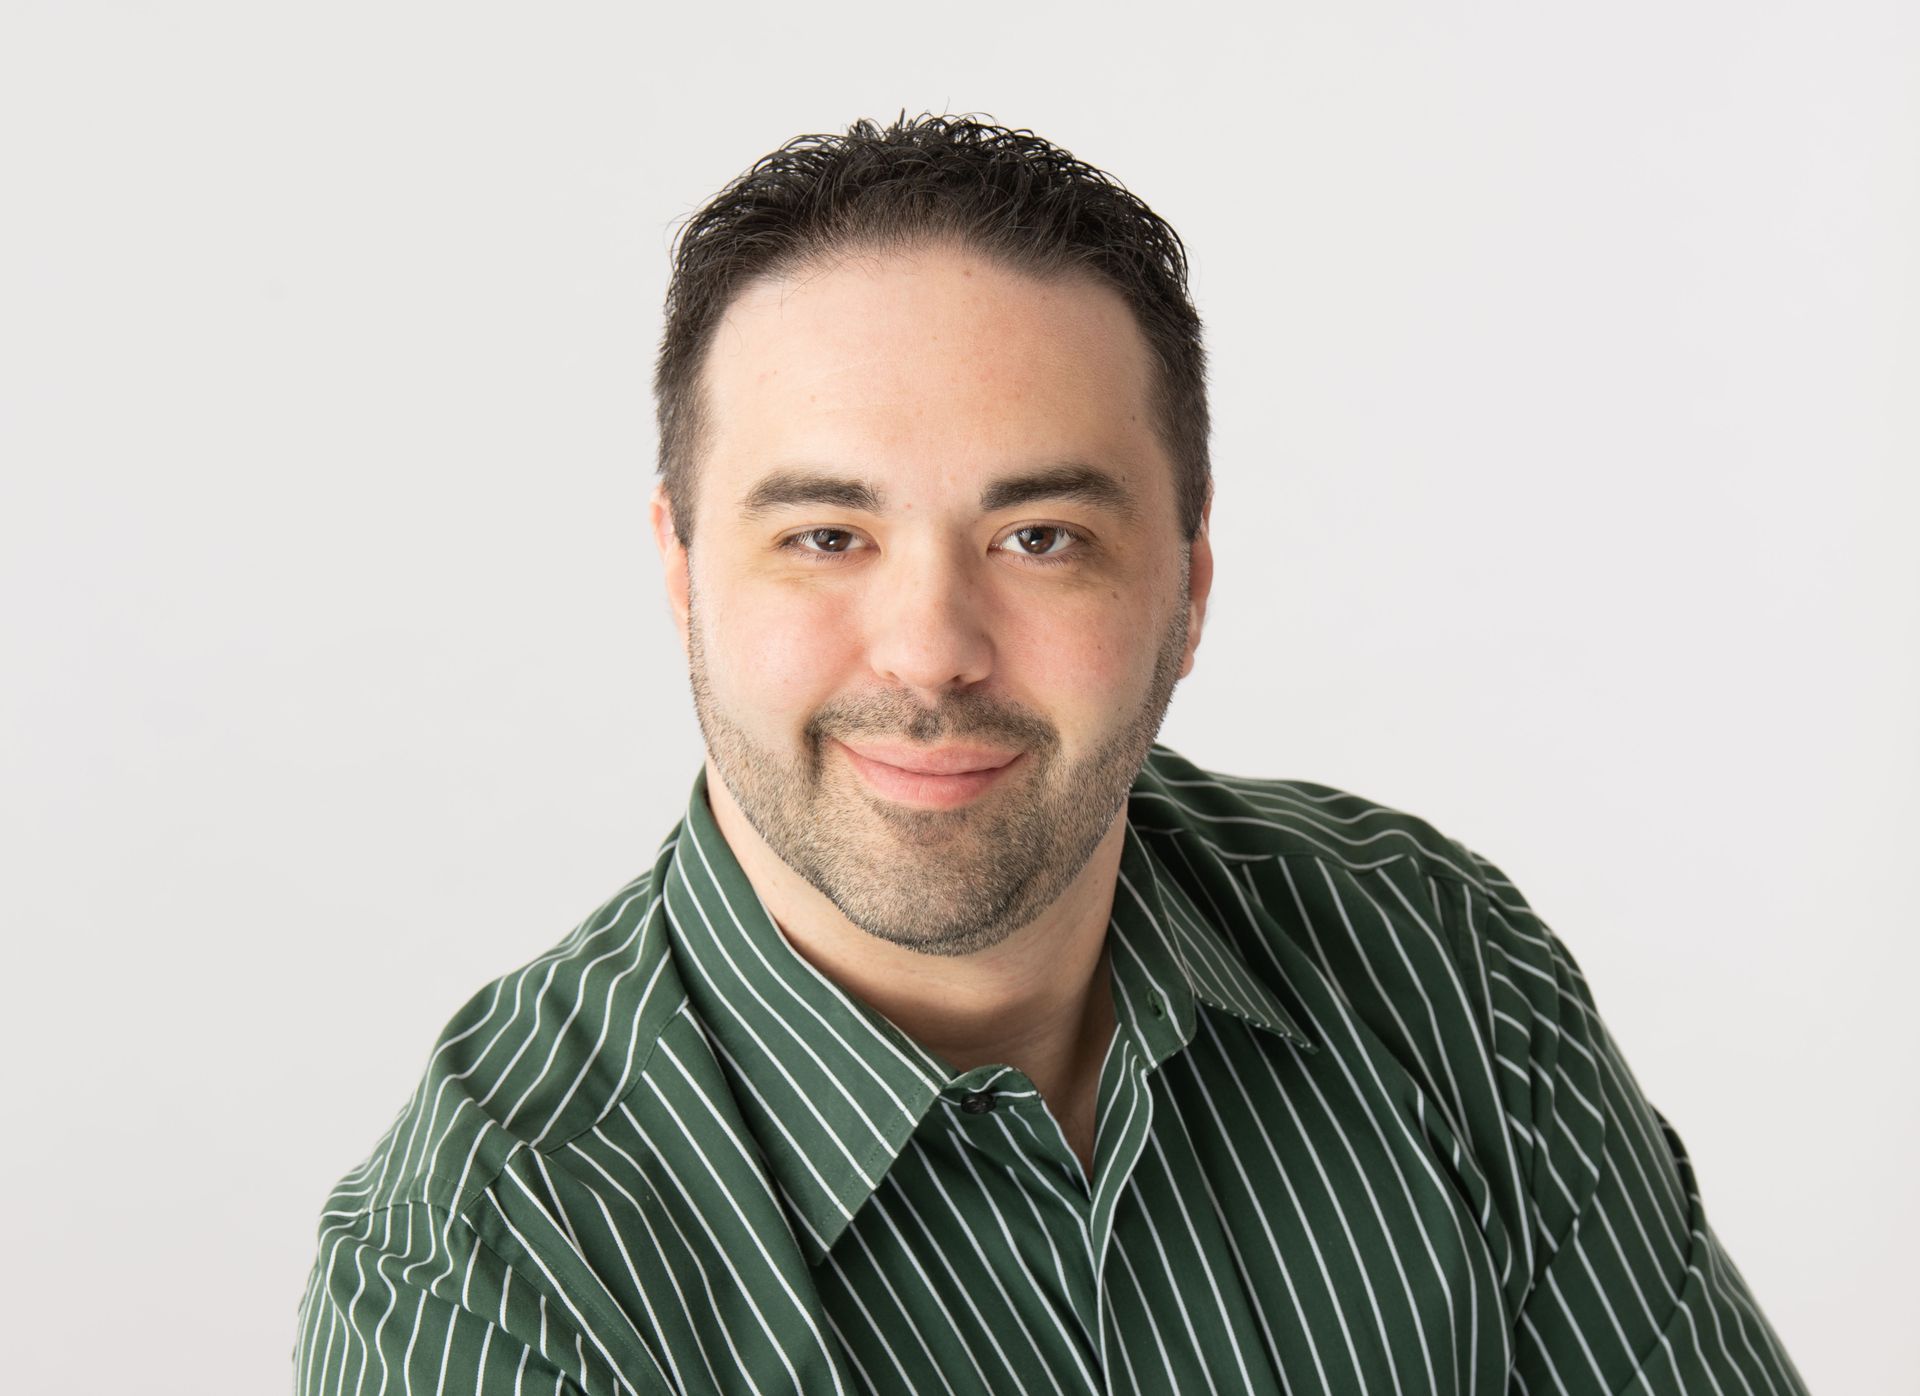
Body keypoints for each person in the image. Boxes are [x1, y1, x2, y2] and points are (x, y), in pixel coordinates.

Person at [293, 113, 1808, 1395]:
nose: (931, 647)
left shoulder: (1436, 964)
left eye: (1040, 537)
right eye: (827, 535)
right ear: (684, 574)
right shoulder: (492, 1272)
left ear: (1189, 589)